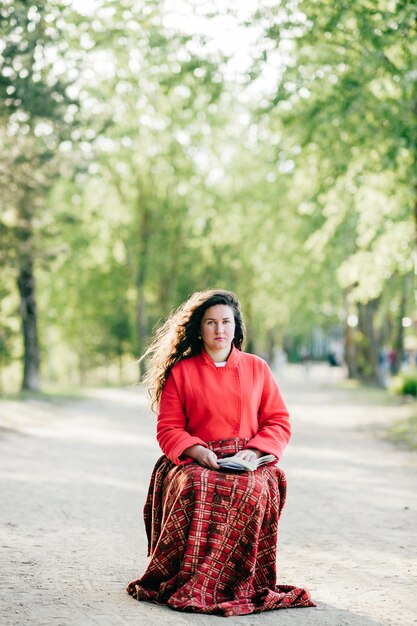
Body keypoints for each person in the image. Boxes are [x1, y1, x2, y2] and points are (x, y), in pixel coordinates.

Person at [126, 289, 314, 616]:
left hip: (248, 458)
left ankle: (242, 580)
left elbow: (278, 421)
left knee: (254, 490)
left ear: (236, 327)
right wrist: (197, 451)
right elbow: (169, 428)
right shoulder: (182, 372)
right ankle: (192, 576)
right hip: (195, 458)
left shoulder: (257, 368)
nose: (219, 330)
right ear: (200, 329)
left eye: (225, 322)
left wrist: (255, 454)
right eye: (211, 322)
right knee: (196, 485)